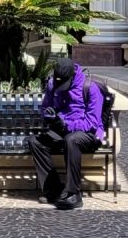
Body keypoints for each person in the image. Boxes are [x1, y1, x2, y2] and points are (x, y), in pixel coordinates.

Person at [28, 56, 105, 211]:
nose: (60, 87)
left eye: (63, 85)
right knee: (35, 141)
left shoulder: (90, 88)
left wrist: (66, 125)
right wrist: (49, 115)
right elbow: (45, 107)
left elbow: (92, 123)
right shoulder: (52, 85)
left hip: (87, 133)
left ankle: (73, 193)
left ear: (72, 77)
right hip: (62, 129)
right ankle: (54, 191)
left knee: (71, 140)